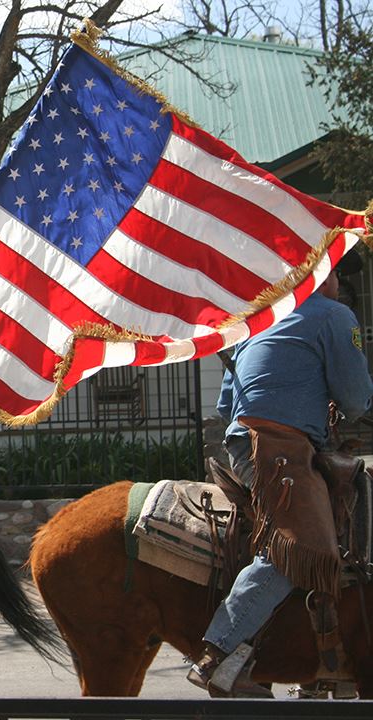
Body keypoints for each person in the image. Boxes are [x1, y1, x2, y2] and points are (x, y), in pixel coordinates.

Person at [188, 250, 373, 697]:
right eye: (334, 275)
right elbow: (354, 398)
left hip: (250, 445)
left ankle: (321, 666)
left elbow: (223, 406)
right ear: (321, 278)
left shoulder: (261, 321)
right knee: (299, 545)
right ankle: (220, 654)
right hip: (280, 451)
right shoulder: (334, 316)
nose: (338, 285)